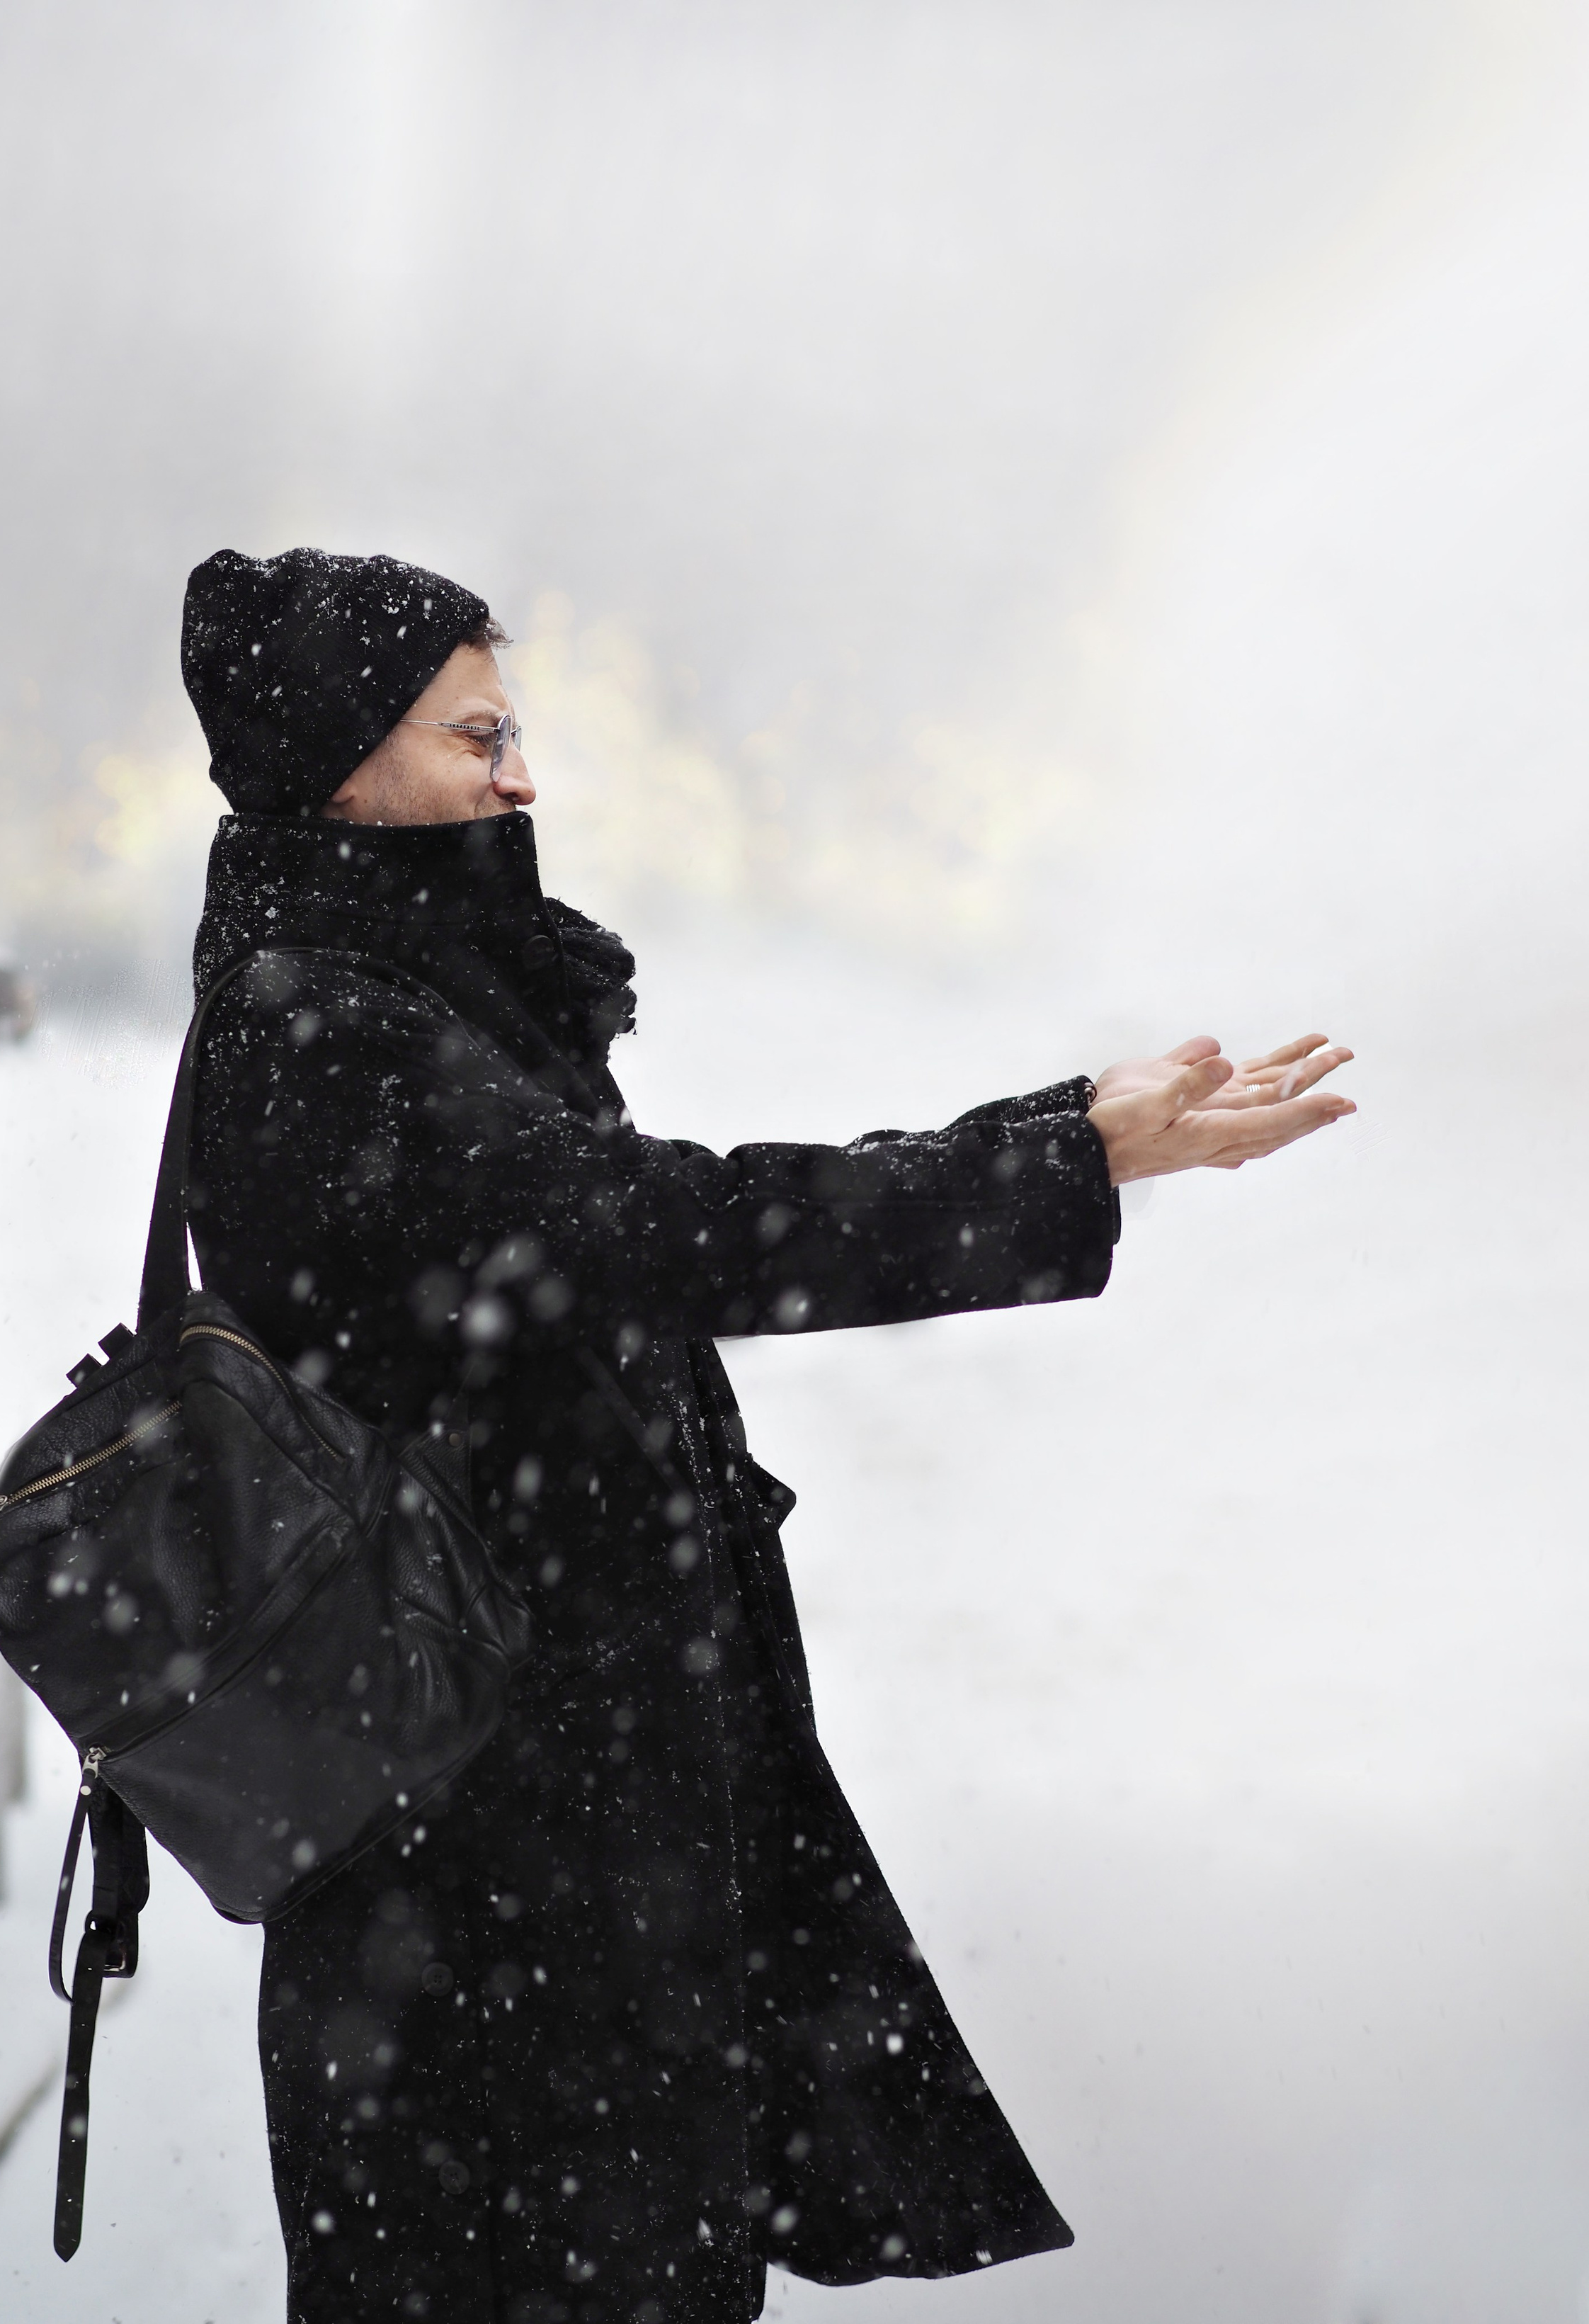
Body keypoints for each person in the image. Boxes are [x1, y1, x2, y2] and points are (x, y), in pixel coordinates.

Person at [178, 546, 1353, 2324]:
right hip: (485, 1837)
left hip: (536, 1792)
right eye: (475, 737)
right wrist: (1062, 1155)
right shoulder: (330, 1031)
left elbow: (620, 1238)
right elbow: (673, 1229)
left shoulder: (411, 989)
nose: (519, 777)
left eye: (515, 735)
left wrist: (1059, 1138)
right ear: (346, 762)